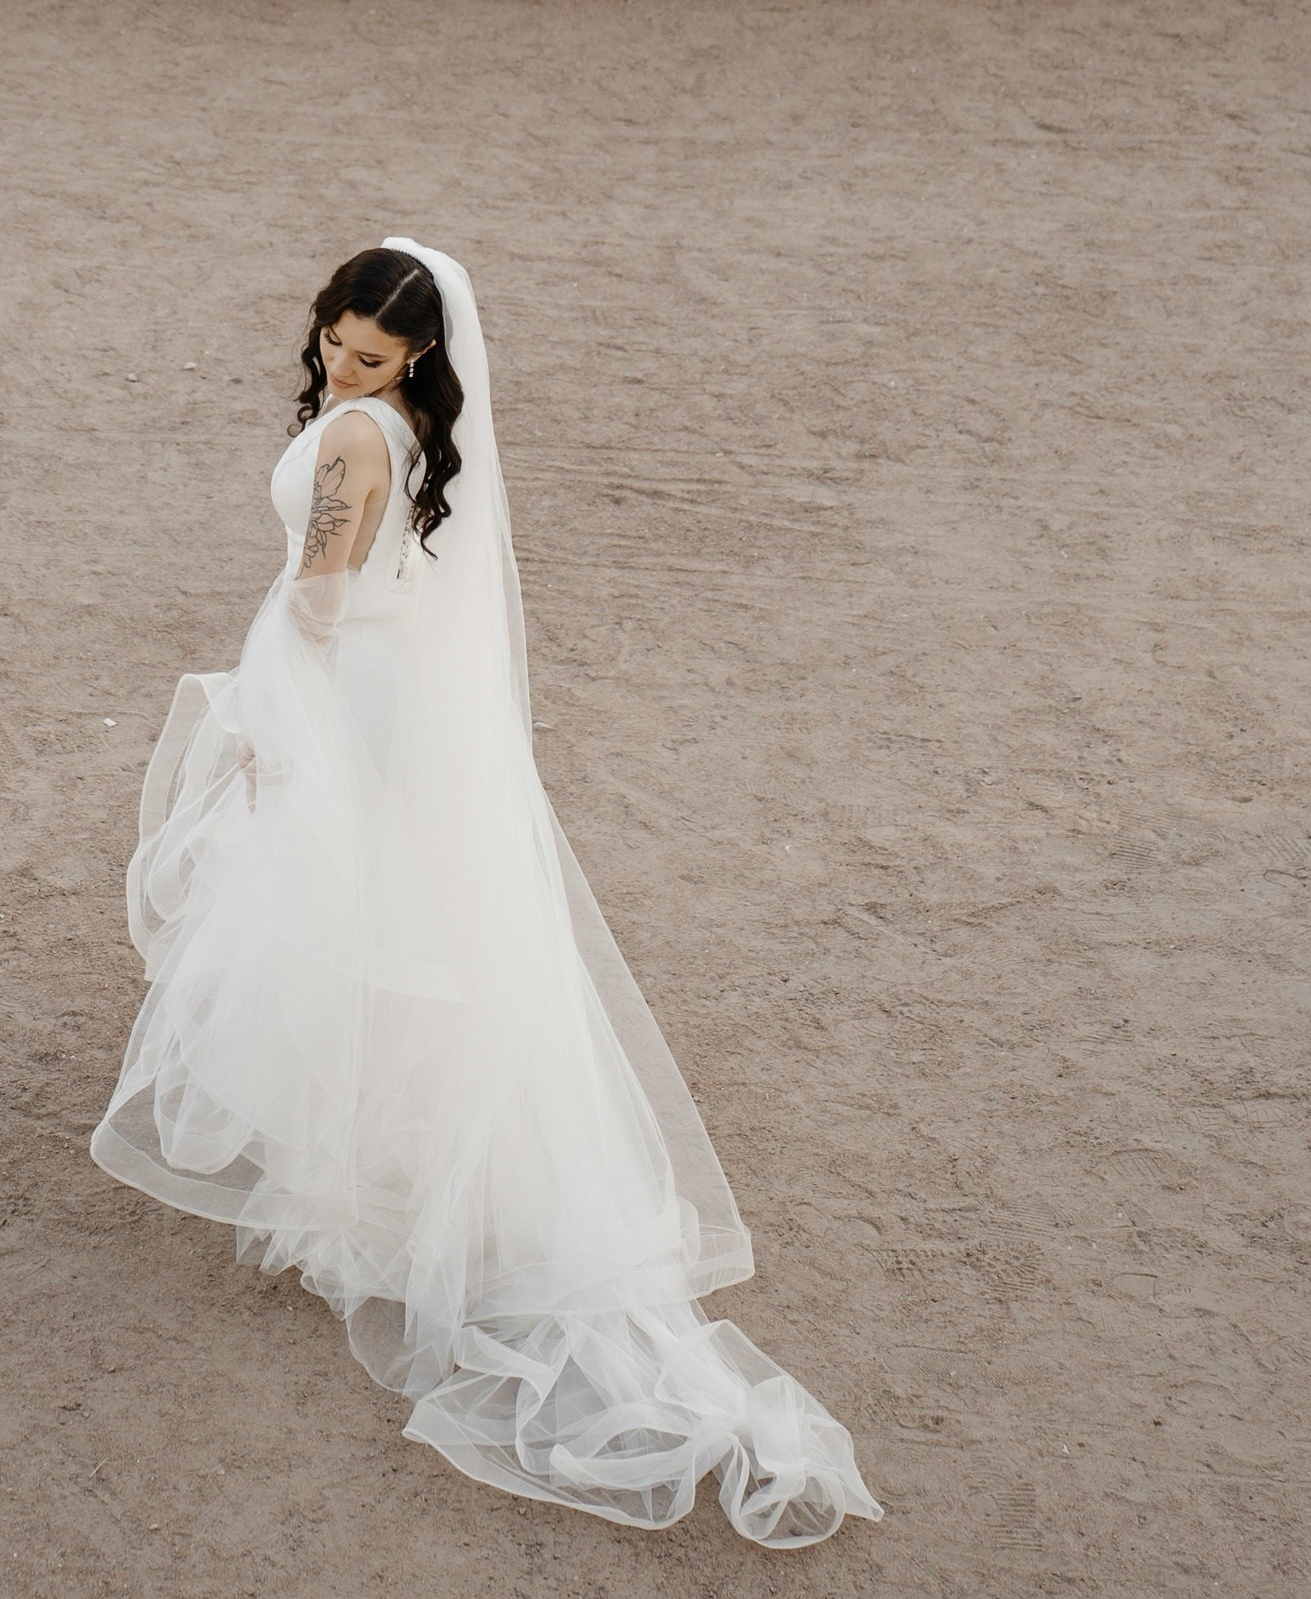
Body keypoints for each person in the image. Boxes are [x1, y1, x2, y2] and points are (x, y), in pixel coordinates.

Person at [91, 239, 881, 1546]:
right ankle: (384, 1164)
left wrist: (258, 733)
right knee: (402, 928)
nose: (340, 365)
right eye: (334, 340)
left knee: (336, 920)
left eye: (369, 354)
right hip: (409, 707)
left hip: (351, 705)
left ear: (419, 361)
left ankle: (362, 1178)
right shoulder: (407, 432)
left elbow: (320, 603)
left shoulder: (355, 444)